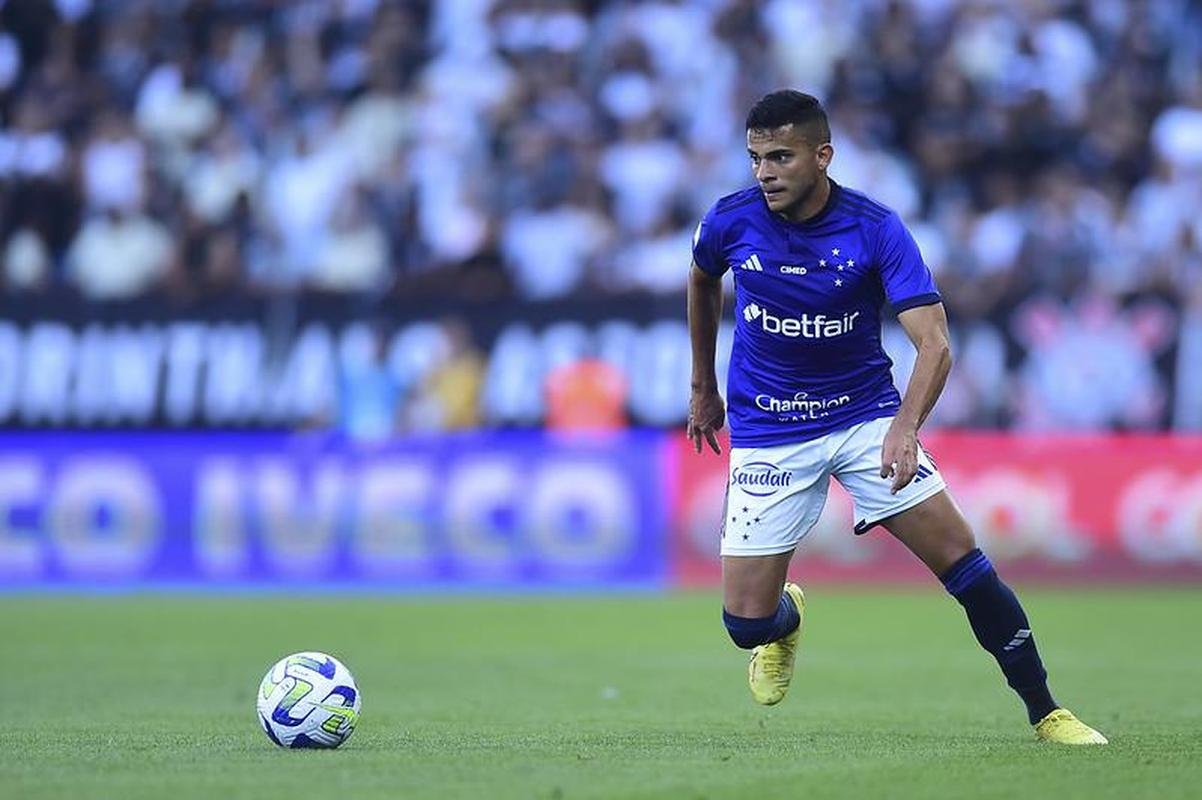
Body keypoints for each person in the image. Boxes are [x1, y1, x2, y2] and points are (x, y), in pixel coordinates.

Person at [686, 90, 1106, 745]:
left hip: (864, 420)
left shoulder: (875, 228)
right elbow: (701, 277)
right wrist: (701, 387)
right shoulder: (731, 221)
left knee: (964, 564)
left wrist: (904, 427)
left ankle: (1047, 711)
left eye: (780, 157)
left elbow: (934, 343)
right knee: (744, 624)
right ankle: (786, 620)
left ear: (822, 156)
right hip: (769, 430)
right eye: (755, 158)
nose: (765, 172)